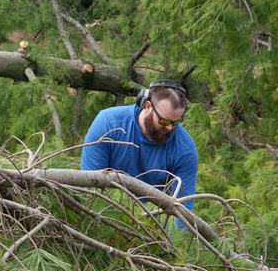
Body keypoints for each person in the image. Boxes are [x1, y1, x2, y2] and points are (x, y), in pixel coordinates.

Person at [80, 79, 198, 220]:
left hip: (152, 227)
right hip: (107, 216)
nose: (170, 128)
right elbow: (91, 190)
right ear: (147, 106)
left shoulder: (185, 150)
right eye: (164, 121)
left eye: (176, 122)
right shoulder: (108, 124)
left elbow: (180, 215)